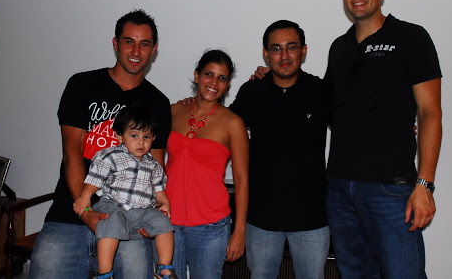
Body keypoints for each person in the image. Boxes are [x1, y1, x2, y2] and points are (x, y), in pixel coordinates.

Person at [30, 9, 172, 279]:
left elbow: (155, 167)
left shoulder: (158, 103)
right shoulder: (82, 85)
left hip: (129, 223)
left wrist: (151, 216)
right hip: (70, 214)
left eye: (144, 44)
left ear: (153, 50)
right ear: (115, 43)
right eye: (129, 41)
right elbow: (72, 153)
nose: (136, 51)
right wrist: (86, 213)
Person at [325, 0, 443, 278]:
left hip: (390, 190)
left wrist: (425, 185)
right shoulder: (339, 48)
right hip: (340, 190)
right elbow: (329, 108)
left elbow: (430, 112)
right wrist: (274, 77)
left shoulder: (411, 37)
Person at [230, 20, 330, 279]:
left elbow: (355, 122)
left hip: (312, 218)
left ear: (303, 51)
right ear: (266, 54)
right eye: (276, 48)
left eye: (291, 47)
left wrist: (393, 125)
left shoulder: (320, 91)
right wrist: (191, 107)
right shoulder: (252, 91)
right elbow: (222, 126)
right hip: (261, 218)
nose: (284, 56)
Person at [166, 49, 249, 279]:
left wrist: (239, 231)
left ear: (227, 84)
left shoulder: (233, 123)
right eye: (208, 74)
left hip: (210, 227)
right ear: (197, 75)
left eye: (222, 78)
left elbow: (241, 180)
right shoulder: (173, 111)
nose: (213, 83)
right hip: (167, 222)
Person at [73, 103, 178, 279]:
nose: (141, 142)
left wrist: (165, 203)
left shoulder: (154, 165)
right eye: (134, 135)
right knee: (110, 222)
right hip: (113, 205)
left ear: (153, 138)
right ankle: (104, 272)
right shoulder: (111, 156)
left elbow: (159, 190)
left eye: (146, 136)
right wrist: (85, 197)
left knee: (164, 223)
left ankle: (164, 268)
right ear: (120, 136)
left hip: (142, 210)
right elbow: (95, 178)